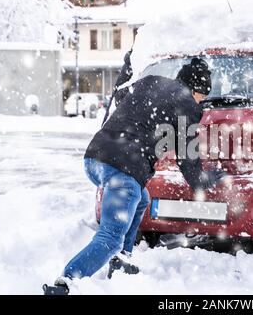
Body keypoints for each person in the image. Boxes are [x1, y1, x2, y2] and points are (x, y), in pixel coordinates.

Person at [43, 57, 225, 295]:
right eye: (203, 95)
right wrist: (208, 180)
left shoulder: (150, 82)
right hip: (123, 169)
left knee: (142, 199)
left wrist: (129, 63)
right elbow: (188, 162)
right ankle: (66, 282)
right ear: (196, 90)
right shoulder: (188, 105)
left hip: (94, 158)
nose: (202, 101)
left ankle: (121, 260)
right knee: (110, 236)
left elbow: (120, 96)